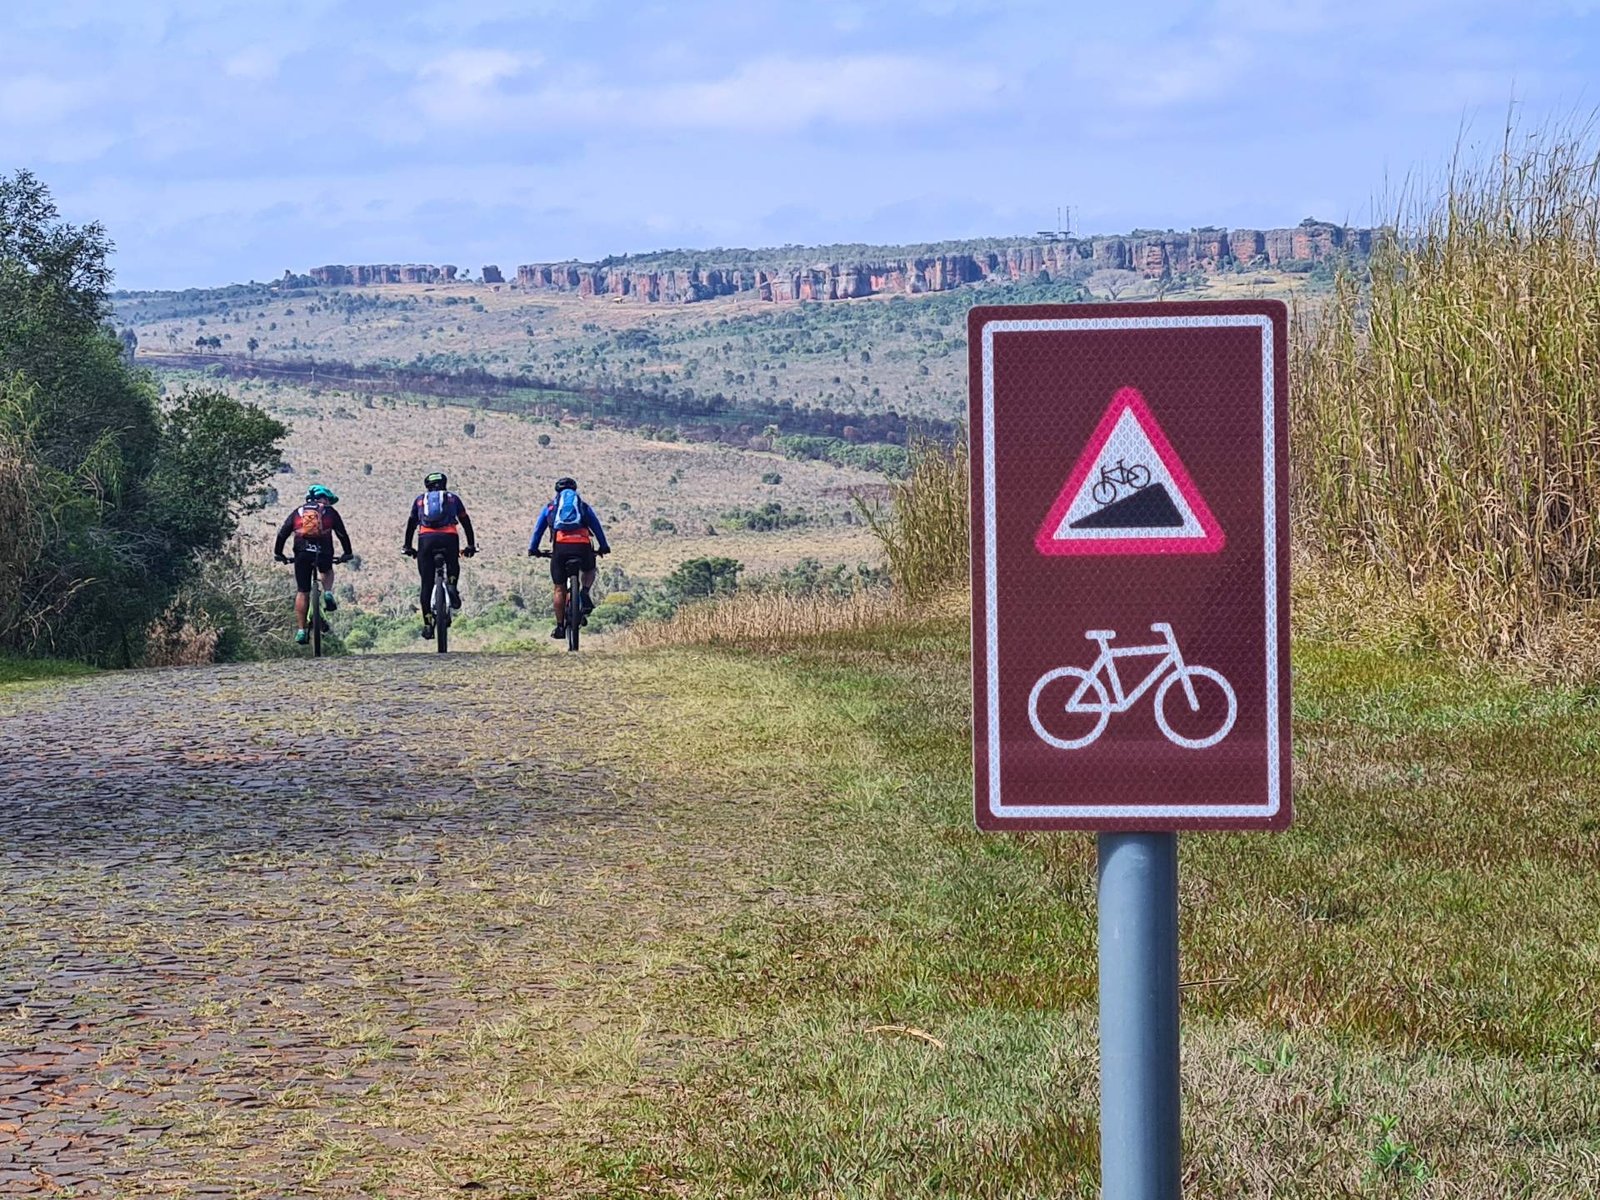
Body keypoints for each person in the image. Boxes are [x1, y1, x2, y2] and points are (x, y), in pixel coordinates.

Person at [527, 475, 610, 639]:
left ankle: (559, 627)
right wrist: (604, 546)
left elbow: (538, 530)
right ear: (574, 490)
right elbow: (597, 527)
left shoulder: (550, 508)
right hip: (583, 546)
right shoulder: (583, 507)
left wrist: (533, 549)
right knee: (589, 569)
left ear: (557, 492)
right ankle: (584, 592)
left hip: (561, 548)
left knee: (559, 588)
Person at [273, 484, 354, 645]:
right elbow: (342, 534)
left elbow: (283, 533)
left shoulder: (298, 512)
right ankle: (328, 593)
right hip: (323, 550)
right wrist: (347, 553)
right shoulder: (329, 512)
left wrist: (279, 554)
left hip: (302, 552)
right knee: (327, 570)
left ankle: (301, 631)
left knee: (302, 591)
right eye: (328, 500)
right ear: (323, 498)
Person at [403, 471, 477, 638]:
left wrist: (407, 546)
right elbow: (465, 521)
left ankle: (428, 623)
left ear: (427, 486)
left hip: (426, 539)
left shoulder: (420, 500)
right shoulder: (453, 498)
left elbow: (411, 523)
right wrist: (471, 544)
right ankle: (451, 585)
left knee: (426, 584)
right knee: (453, 564)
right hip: (449, 537)